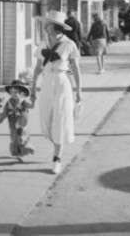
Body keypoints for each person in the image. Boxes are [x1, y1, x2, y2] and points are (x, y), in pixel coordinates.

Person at [31, 10, 82, 175]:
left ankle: (57, 159)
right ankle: (57, 147)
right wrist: (32, 88)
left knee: (60, 119)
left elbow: (76, 69)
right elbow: (38, 68)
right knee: (47, 120)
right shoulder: (43, 44)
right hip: (46, 83)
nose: (45, 27)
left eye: (48, 25)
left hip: (61, 83)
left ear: (56, 27)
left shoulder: (69, 44)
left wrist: (79, 92)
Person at [0, 79, 35, 162]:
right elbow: (4, 112)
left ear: (22, 93)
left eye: (16, 92)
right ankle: (16, 152)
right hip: (12, 125)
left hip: (22, 124)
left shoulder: (24, 102)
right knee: (14, 139)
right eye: (12, 92)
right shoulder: (8, 102)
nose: (14, 94)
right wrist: (0, 119)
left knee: (21, 138)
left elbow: (31, 106)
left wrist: (33, 100)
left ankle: (22, 154)